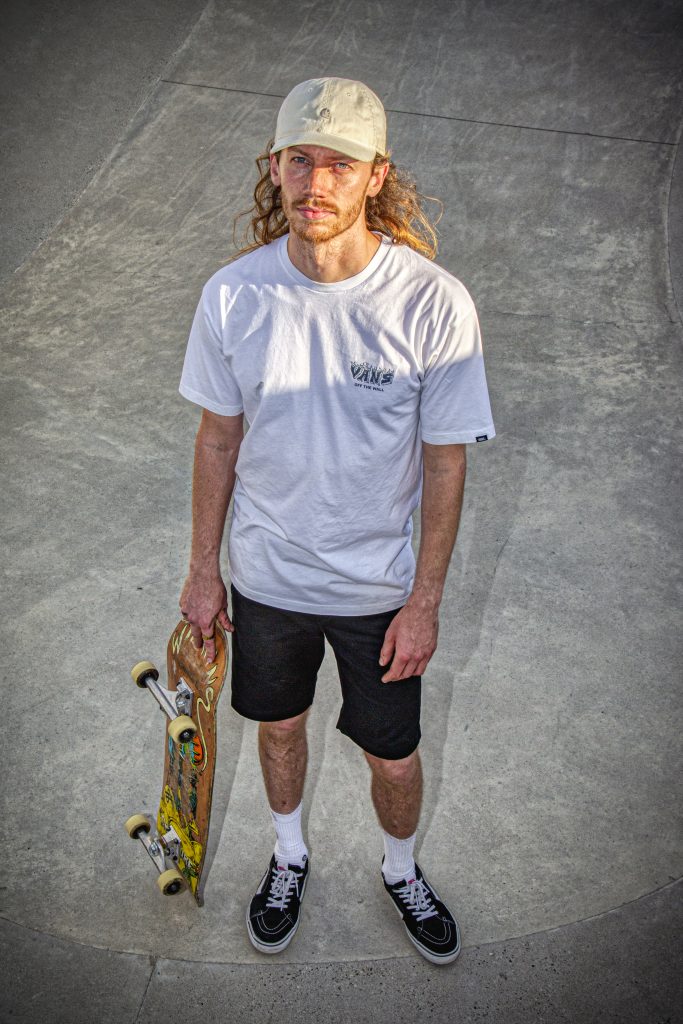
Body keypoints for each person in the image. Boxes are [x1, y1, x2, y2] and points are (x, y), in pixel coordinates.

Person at [178, 77, 495, 965]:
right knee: (277, 729)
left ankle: (399, 868)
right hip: (268, 577)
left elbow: (444, 460)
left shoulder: (431, 303)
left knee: (390, 756)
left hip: (378, 591)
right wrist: (204, 569)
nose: (317, 180)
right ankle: (288, 855)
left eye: (340, 164)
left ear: (375, 176)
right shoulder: (234, 296)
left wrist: (423, 600)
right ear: (275, 168)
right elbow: (216, 442)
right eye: (300, 159)